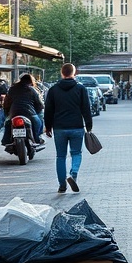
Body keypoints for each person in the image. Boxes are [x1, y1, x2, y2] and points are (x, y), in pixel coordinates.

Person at [44, 63, 94, 194]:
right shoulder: (80, 89)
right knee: (76, 153)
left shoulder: (53, 90)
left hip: (59, 128)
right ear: (74, 73)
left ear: (62, 73)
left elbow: (48, 110)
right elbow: (86, 108)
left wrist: (48, 127)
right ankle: (74, 173)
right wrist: (89, 125)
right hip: (77, 127)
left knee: (60, 156)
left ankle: (62, 185)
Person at [3, 73, 45, 143]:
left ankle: (6, 140)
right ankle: (37, 138)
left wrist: (8, 113)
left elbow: (6, 103)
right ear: (31, 82)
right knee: (39, 120)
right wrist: (38, 111)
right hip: (30, 114)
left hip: (14, 113)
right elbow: (39, 104)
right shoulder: (32, 90)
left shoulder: (12, 89)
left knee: (7, 123)